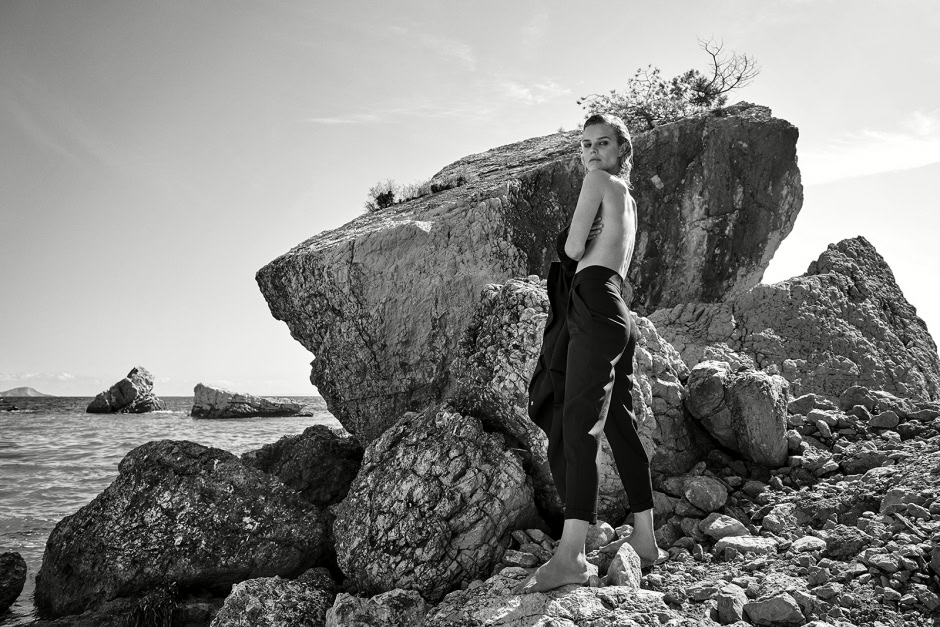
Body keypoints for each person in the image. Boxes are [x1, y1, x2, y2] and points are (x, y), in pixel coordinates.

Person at [515, 113, 660, 594]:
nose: (592, 153)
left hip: (594, 305)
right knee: (616, 422)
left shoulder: (599, 181)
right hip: (617, 308)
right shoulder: (630, 200)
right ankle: (644, 538)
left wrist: (566, 247)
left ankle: (572, 555)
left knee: (579, 424)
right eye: (585, 146)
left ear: (622, 152)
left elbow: (575, 247)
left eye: (602, 143)